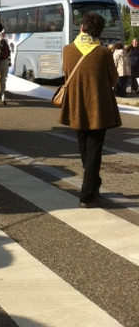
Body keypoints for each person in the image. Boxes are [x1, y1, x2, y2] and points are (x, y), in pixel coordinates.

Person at [59, 12, 121, 208]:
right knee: (94, 149)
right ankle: (88, 194)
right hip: (98, 107)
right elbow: (113, 79)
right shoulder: (103, 53)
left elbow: (66, 72)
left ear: (82, 28)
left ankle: (93, 184)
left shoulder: (68, 50)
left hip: (76, 104)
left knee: (84, 147)